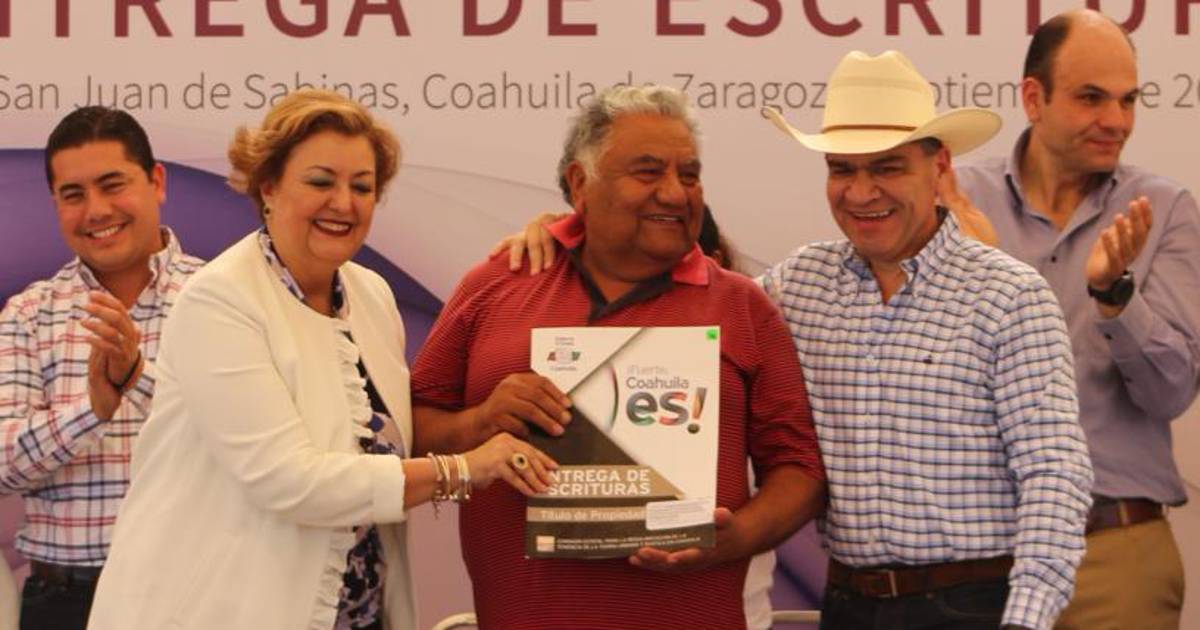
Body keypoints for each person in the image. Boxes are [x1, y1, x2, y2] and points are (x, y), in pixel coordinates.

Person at [507, 51, 1094, 630]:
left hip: (976, 606)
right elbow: (686, 308)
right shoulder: (798, 284)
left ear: (938, 166)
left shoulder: (1009, 297)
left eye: (887, 168)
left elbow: (1055, 476)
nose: (861, 192)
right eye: (842, 170)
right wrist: (568, 232)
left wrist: (1025, 621)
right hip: (847, 604)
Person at [85, 90, 554, 630]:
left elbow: (389, 442)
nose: (344, 203)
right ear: (268, 186)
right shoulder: (219, 300)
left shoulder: (371, 295)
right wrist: (464, 469)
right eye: (320, 182)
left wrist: (553, 243)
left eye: (363, 187)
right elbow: (289, 480)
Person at [410, 84, 827, 629]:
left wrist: (737, 537)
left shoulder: (742, 305)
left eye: (690, 175)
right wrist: (482, 421)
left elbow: (799, 468)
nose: (675, 194)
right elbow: (411, 431)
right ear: (580, 183)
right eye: (648, 172)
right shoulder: (495, 285)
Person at [943, 10, 1200, 629]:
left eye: (1128, 100)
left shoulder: (1163, 209)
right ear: (1034, 98)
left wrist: (1117, 298)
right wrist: (978, 277)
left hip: (1112, 553)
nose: (1116, 120)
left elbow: (1171, 392)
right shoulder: (955, 198)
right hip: (972, 556)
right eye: (1091, 98)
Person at [0, 106, 204, 630]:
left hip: (198, 591)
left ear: (157, 182)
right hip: (66, 601)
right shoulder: (29, 313)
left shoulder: (219, 298)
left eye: (113, 185)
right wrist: (92, 410)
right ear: (55, 204)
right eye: (73, 195)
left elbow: (247, 437)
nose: (96, 210)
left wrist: (137, 376)